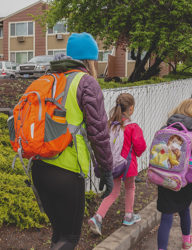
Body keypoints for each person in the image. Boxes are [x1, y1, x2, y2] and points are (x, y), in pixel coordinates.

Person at [31, 33, 114, 250]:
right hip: (66, 172)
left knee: (59, 235)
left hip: (39, 168)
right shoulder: (86, 83)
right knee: (69, 239)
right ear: (90, 60)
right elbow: (99, 133)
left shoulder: (48, 79)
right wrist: (106, 169)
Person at [88, 93, 147, 235]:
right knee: (130, 188)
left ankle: (98, 217)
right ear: (131, 108)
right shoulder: (133, 127)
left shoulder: (110, 125)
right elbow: (140, 147)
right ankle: (128, 215)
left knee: (113, 192)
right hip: (128, 166)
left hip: (112, 165)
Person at [156, 98, 192, 250]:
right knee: (184, 208)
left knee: (166, 215)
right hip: (184, 180)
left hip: (164, 177)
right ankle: (187, 241)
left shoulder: (167, 127)